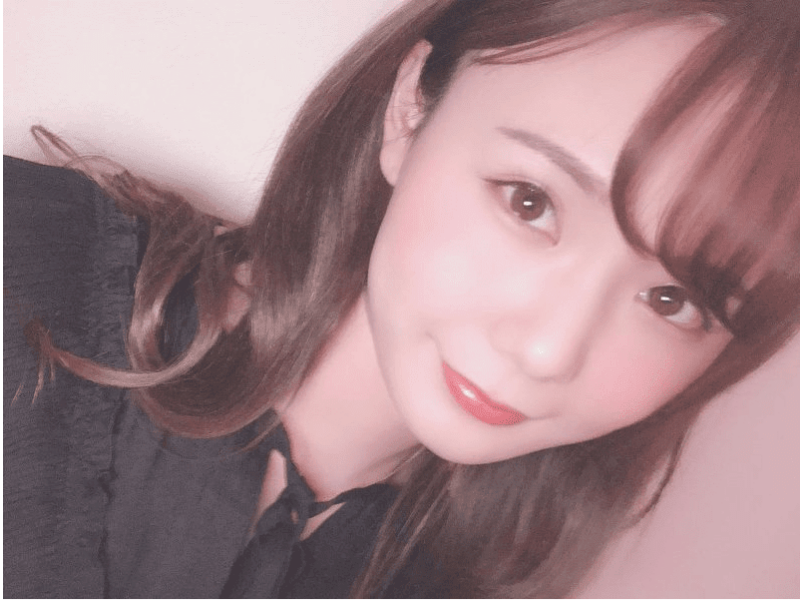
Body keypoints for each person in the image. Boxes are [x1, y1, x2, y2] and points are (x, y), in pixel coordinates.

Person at [4, 0, 800, 597]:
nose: (546, 350)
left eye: (672, 299)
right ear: (410, 110)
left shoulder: (474, 580)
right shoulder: (27, 263)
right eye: (529, 202)